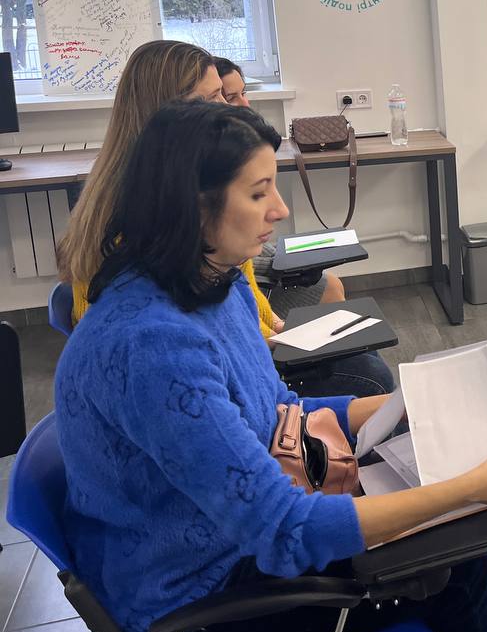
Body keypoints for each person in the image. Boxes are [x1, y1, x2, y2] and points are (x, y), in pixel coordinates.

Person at [55, 100, 487, 632]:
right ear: (192, 208)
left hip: (234, 537)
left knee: (455, 530)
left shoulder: (214, 282)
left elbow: (278, 412)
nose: (281, 209)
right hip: (202, 601)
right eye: (258, 193)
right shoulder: (152, 347)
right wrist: (469, 489)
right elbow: (284, 530)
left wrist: (401, 403)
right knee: (461, 558)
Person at [58, 40, 392, 397]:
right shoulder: (145, 218)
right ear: (171, 112)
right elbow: (196, 336)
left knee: (358, 349)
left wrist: (276, 330)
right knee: (370, 377)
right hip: (205, 365)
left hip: (226, 344)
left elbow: (237, 296)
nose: (229, 107)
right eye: (212, 98)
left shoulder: (164, 185)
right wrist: (272, 347)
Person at [214, 56, 347, 315]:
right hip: (247, 288)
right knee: (330, 289)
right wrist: (283, 266)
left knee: (332, 285)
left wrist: (287, 259)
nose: (245, 104)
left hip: (252, 278)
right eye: (230, 97)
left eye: (244, 93)